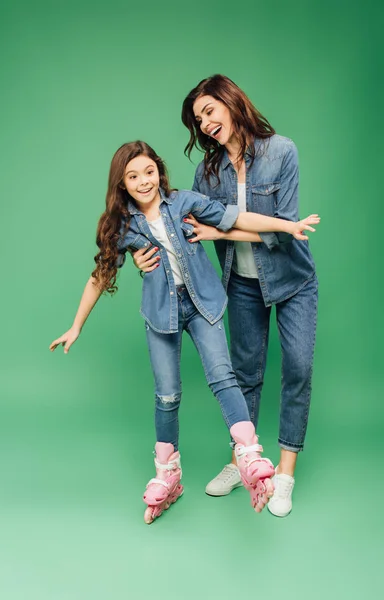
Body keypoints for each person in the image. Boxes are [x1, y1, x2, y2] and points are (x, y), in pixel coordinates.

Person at [50, 140, 319, 524]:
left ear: (159, 171)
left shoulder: (184, 202)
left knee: (224, 377)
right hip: (161, 313)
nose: (144, 181)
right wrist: (76, 326)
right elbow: (100, 276)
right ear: (122, 185)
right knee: (167, 395)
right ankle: (168, 476)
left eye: (149, 171)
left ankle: (249, 454)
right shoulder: (123, 225)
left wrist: (286, 225)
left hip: (203, 305)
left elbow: (236, 218)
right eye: (133, 176)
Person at [133, 75, 319, 518]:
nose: (205, 124)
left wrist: (220, 230)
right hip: (240, 282)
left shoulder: (282, 152)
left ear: (231, 102)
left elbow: (283, 230)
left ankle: (284, 474)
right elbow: (184, 230)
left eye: (209, 111)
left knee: (297, 368)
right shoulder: (207, 171)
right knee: (245, 373)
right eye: (199, 120)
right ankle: (242, 461)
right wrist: (143, 258)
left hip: (292, 278)